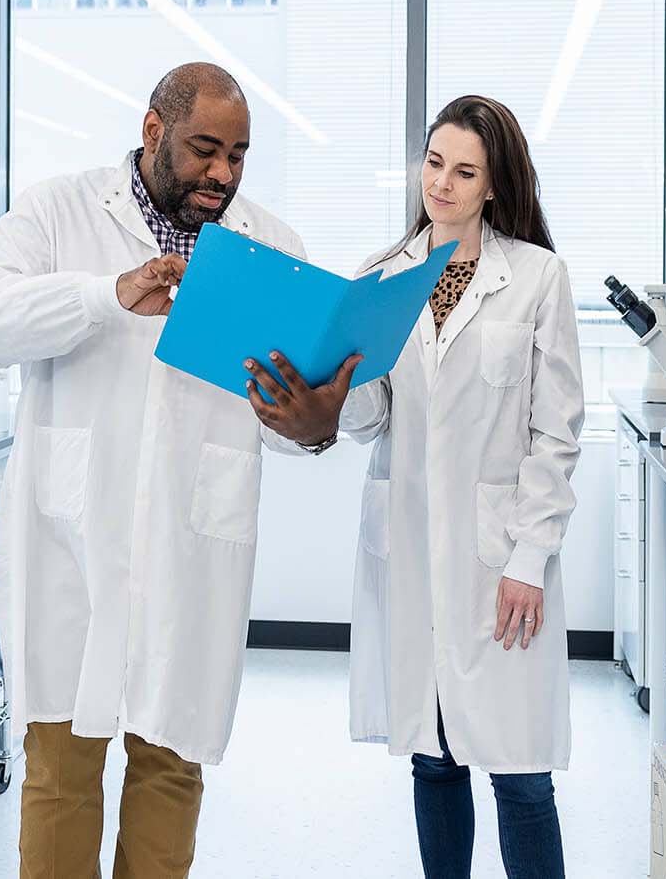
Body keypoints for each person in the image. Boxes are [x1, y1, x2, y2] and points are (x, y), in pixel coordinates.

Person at [0, 62, 352, 879]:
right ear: (152, 131)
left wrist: (312, 427)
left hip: (192, 545)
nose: (223, 175)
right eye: (206, 149)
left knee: (172, 765)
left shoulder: (271, 249)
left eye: (239, 155)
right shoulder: (59, 211)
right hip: (74, 540)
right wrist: (108, 295)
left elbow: (284, 421)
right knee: (62, 770)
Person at [247, 95, 585, 878]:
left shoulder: (537, 278)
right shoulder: (380, 278)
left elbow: (556, 431)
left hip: (500, 556)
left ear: (495, 184)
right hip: (409, 550)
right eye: (434, 163)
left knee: (521, 770)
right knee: (432, 759)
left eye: (465, 171)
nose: (442, 183)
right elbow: (368, 419)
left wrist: (529, 560)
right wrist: (322, 387)